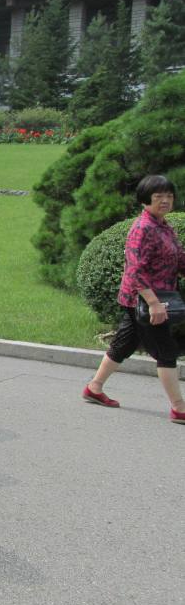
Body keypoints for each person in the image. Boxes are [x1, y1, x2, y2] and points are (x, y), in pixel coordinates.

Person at [83, 175, 185, 425]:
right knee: (165, 351)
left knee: (124, 344)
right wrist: (153, 303)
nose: (165, 200)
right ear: (145, 199)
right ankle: (179, 408)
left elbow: (178, 258)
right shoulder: (142, 229)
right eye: (158, 196)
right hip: (146, 301)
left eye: (169, 196)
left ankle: (94, 388)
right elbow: (134, 271)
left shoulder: (164, 225)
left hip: (152, 299)